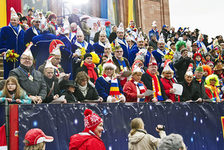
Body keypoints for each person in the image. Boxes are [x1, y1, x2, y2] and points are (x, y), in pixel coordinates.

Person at [0, 7, 25, 79]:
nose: (13, 21)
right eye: (11, 20)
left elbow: (23, 42)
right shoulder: (5, 29)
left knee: (18, 72)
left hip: (19, 55)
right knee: (8, 72)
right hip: (8, 54)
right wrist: (3, 51)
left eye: (14, 20)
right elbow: (1, 40)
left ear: (18, 21)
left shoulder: (22, 31)